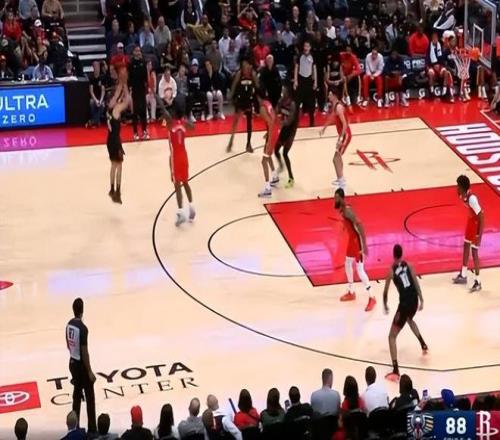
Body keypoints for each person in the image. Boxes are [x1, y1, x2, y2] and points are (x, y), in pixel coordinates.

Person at [383, 244, 428, 381]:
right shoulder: (409, 265)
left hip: (404, 305)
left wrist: (385, 304)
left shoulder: (391, 271)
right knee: (409, 319)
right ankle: (423, 343)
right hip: (414, 301)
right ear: (401, 254)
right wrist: (421, 299)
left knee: (391, 336)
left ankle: (395, 369)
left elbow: (385, 292)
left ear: (393, 255)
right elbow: (416, 282)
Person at [332, 188, 376, 311]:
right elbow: (349, 224)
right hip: (352, 241)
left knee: (360, 270)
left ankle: (372, 297)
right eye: (334, 198)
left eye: (337, 198)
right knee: (347, 263)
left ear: (342, 198)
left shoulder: (347, 211)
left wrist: (365, 245)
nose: (335, 200)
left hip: (357, 243)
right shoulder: (343, 209)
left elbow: (360, 225)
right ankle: (351, 291)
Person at [65, 298, 97, 435]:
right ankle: (92, 429)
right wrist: (89, 371)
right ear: (82, 310)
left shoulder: (69, 325)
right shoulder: (83, 329)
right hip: (81, 366)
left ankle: (75, 428)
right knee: (90, 397)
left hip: (72, 362)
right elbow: (84, 352)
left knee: (76, 396)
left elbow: (68, 344)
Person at [452, 175, 484, 292]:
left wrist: (478, 235)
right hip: (471, 221)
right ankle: (464, 275)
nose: (456, 188)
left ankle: (478, 282)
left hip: (477, 224)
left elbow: (481, 216)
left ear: (462, 187)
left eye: (458, 186)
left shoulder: (472, 199)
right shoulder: (462, 195)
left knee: (474, 252)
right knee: (466, 245)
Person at [167, 106, 195, 226]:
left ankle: (181, 213)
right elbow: (193, 127)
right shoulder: (183, 124)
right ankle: (192, 208)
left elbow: (164, 112)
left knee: (177, 186)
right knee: (186, 182)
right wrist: (184, 120)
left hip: (175, 157)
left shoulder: (170, 125)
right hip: (184, 155)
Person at [319, 88, 351, 189]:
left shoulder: (339, 107)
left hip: (345, 135)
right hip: (343, 135)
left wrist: (340, 139)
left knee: (336, 158)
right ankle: (340, 178)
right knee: (338, 157)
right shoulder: (335, 106)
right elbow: (331, 118)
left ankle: (342, 182)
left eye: (330, 94)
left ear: (334, 95)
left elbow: (345, 124)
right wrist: (324, 128)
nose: (328, 96)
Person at [227, 57, 258, 153]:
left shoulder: (253, 74)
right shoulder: (239, 74)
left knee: (249, 122)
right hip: (240, 100)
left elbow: (257, 87)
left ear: (249, 65)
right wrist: (231, 96)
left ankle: (248, 144)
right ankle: (231, 141)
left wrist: (258, 100)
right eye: (243, 65)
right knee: (236, 121)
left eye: (246, 65)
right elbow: (234, 86)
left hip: (249, 100)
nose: (245, 67)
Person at [257, 89, 280, 198]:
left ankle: (267, 189)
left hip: (273, 132)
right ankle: (275, 177)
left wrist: (270, 139)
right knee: (267, 155)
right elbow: (274, 118)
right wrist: (269, 133)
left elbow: (270, 122)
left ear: (258, 97)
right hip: (275, 130)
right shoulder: (268, 103)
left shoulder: (262, 107)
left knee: (264, 161)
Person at [275, 85, 298, 188]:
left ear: (288, 92)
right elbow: (276, 111)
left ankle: (291, 178)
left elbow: (289, 121)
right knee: (276, 150)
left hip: (291, 131)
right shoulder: (281, 100)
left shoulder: (292, 104)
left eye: (284, 90)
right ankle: (281, 165)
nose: (282, 91)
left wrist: (280, 122)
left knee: (285, 153)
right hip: (284, 129)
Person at [293, 40, 317, 127]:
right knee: (297, 102)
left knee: (311, 102)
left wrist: (315, 82)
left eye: (308, 46)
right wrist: (295, 81)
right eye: (305, 46)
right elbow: (296, 68)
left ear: (310, 48)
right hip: (301, 80)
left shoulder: (312, 56)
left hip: (309, 80)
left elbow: (314, 69)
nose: (306, 48)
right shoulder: (300, 56)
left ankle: (312, 121)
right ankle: (295, 122)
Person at [128, 45, 149, 141]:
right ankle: (135, 133)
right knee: (135, 112)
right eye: (136, 51)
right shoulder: (131, 64)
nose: (138, 52)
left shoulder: (143, 63)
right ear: (133, 52)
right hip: (134, 90)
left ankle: (144, 131)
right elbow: (129, 78)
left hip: (142, 90)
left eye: (139, 51)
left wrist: (146, 88)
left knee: (143, 111)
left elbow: (145, 77)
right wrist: (130, 89)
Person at [88, 60, 106, 128]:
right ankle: (97, 121)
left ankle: (93, 121)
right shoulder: (91, 77)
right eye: (95, 67)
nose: (97, 68)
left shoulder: (102, 77)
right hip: (94, 97)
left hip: (100, 97)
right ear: (93, 68)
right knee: (92, 103)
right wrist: (96, 100)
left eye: (98, 66)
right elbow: (91, 91)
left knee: (102, 105)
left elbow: (103, 91)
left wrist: (100, 101)